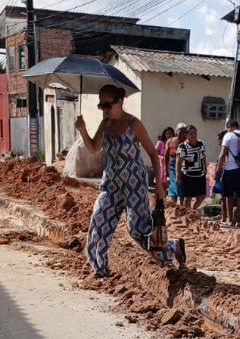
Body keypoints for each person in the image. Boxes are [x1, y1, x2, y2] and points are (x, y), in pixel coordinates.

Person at [74, 85, 185, 278]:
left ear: (120, 101)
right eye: (101, 106)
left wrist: (159, 184)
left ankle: (173, 246)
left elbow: (152, 152)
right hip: (111, 184)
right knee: (98, 222)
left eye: (108, 104)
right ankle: (100, 271)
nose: (105, 109)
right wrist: (83, 130)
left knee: (137, 230)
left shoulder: (133, 124)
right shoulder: (105, 125)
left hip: (134, 184)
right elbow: (93, 148)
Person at [215, 119, 240, 227]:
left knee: (229, 195)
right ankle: (238, 220)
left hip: (231, 170)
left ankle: (230, 219)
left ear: (230, 127)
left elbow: (222, 154)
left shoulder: (228, 135)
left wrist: (219, 170)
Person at [175, 125, 207, 210]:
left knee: (202, 196)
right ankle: (188, 215)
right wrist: (178, 176)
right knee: (187, 197)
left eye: (195, 133)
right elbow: (178, 162)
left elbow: (203, 156)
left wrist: (206, 169)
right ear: (186, 135)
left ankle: (193, 210)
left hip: (200, 174)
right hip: (187, 175)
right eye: (191, 133)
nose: (193, 135)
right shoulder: (182, 147)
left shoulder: (201, 144)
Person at [166, 123, 187, 202]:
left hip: (184, 166)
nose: (181, 134)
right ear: (176, 132)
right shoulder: (170, 141)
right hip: (172, 166)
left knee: (182, 186)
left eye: (184, 132)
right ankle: (173, 205)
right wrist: (165, 169)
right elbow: (166, 156)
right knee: (174, 185)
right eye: (180, 132)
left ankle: (182, 206)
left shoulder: (187, 143)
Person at [155, 126, 173, 192]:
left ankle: (166, 199)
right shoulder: (160, 142)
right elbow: (155, 153)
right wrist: (161, 157)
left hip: (170, 164)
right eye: (167, 133)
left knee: (168, 184)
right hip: (162, 164)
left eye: (171, 134)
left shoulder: (173, 143)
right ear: (164, 134)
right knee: (161, 183)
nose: (169, 135)